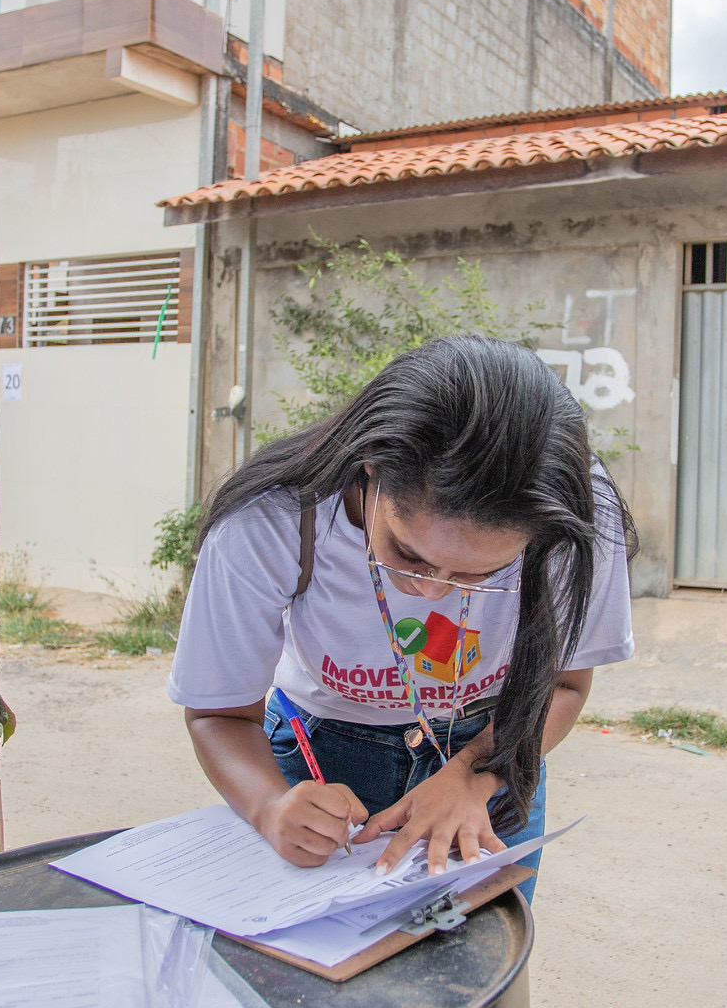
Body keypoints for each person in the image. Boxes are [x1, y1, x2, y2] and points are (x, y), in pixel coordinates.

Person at [169, 335, 636, 898]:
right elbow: (218, 713)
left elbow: (563, 684)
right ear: (370, 467)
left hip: (499, 744)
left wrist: (475, 775)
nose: (431, 592)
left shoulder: (575, 514)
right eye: (408, 553)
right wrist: (271, 807)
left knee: (478, 971)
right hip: (324, 755)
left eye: (478, 574)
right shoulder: (270, 520)